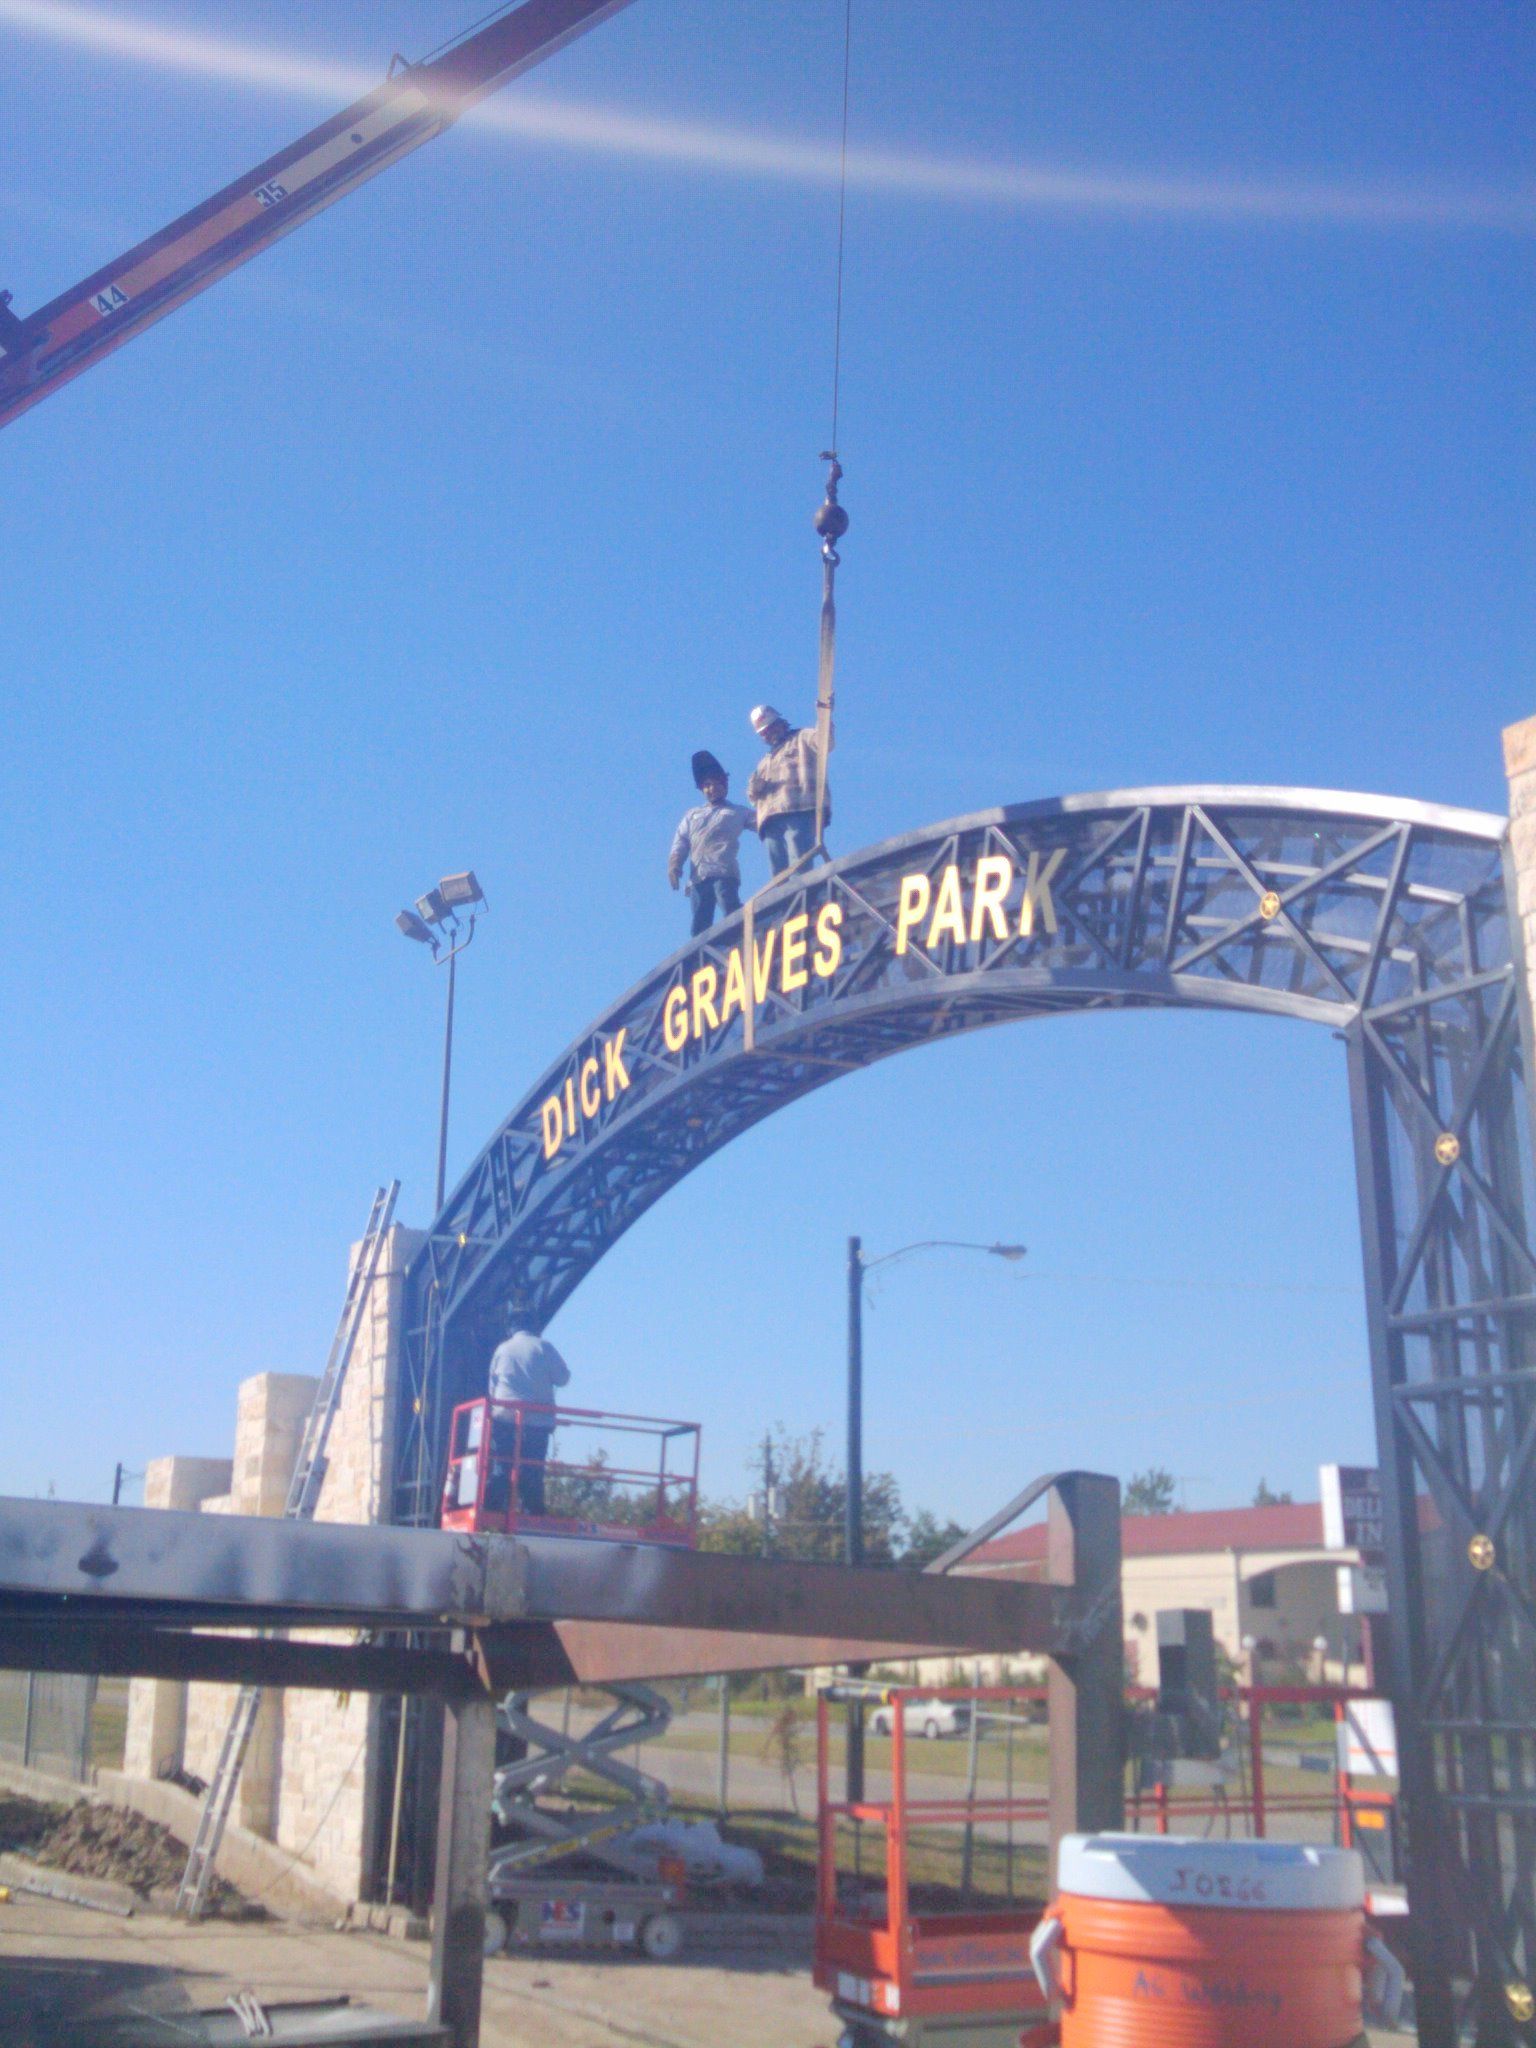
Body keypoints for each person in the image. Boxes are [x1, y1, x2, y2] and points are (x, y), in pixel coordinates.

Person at [486, 1311, 571, 1516]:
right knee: (532, 1469)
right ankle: (534, 1511)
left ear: (511, 1328)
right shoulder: (543, 1347)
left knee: (502, 1466)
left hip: (504, 1418)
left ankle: (492, 1507)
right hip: (537, 1421)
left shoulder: (502, 1350)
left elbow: (491, 1388)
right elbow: (563, 1378)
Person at [667, 750, 755, 935]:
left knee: (730, 909)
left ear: (724, 785)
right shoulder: (692, 815)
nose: (711, 789)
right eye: (707, 785)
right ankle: (702, 959)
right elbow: (681, 841)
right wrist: (674, 864)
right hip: (699, 876)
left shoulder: (737, 812)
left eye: (715, 784)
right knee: (700, 921)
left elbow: (761, 822)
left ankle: (739, 939)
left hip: (724, 871)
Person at [746, 705, 831, 875]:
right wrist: (754, 789)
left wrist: (824, 714)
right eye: (763, 732)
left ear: (780, 723)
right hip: (770, 818)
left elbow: (825, 741)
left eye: (769, 729)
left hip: (799, 809)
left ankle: (802, 894)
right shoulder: (765, 762)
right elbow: (753, 797)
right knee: (778, 869)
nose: (767, 734)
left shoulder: (802, 738)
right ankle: (784, 900)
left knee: (799, 860)